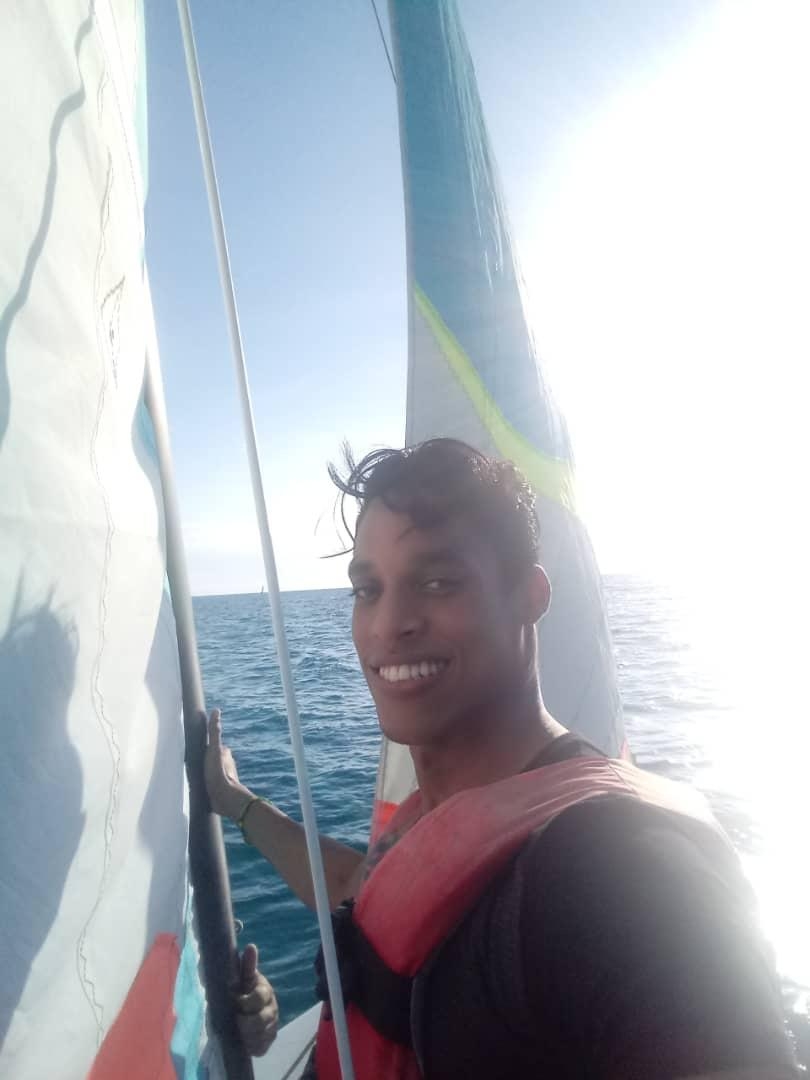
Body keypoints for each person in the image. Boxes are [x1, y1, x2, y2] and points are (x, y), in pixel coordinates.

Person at [208, 438, 798, 1078]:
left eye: (437, 582)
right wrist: (237, 803)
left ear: (531, 595)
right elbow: (360, 888)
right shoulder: (442, 814)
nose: (388, 624)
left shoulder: (621, 868)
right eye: (368, 589)